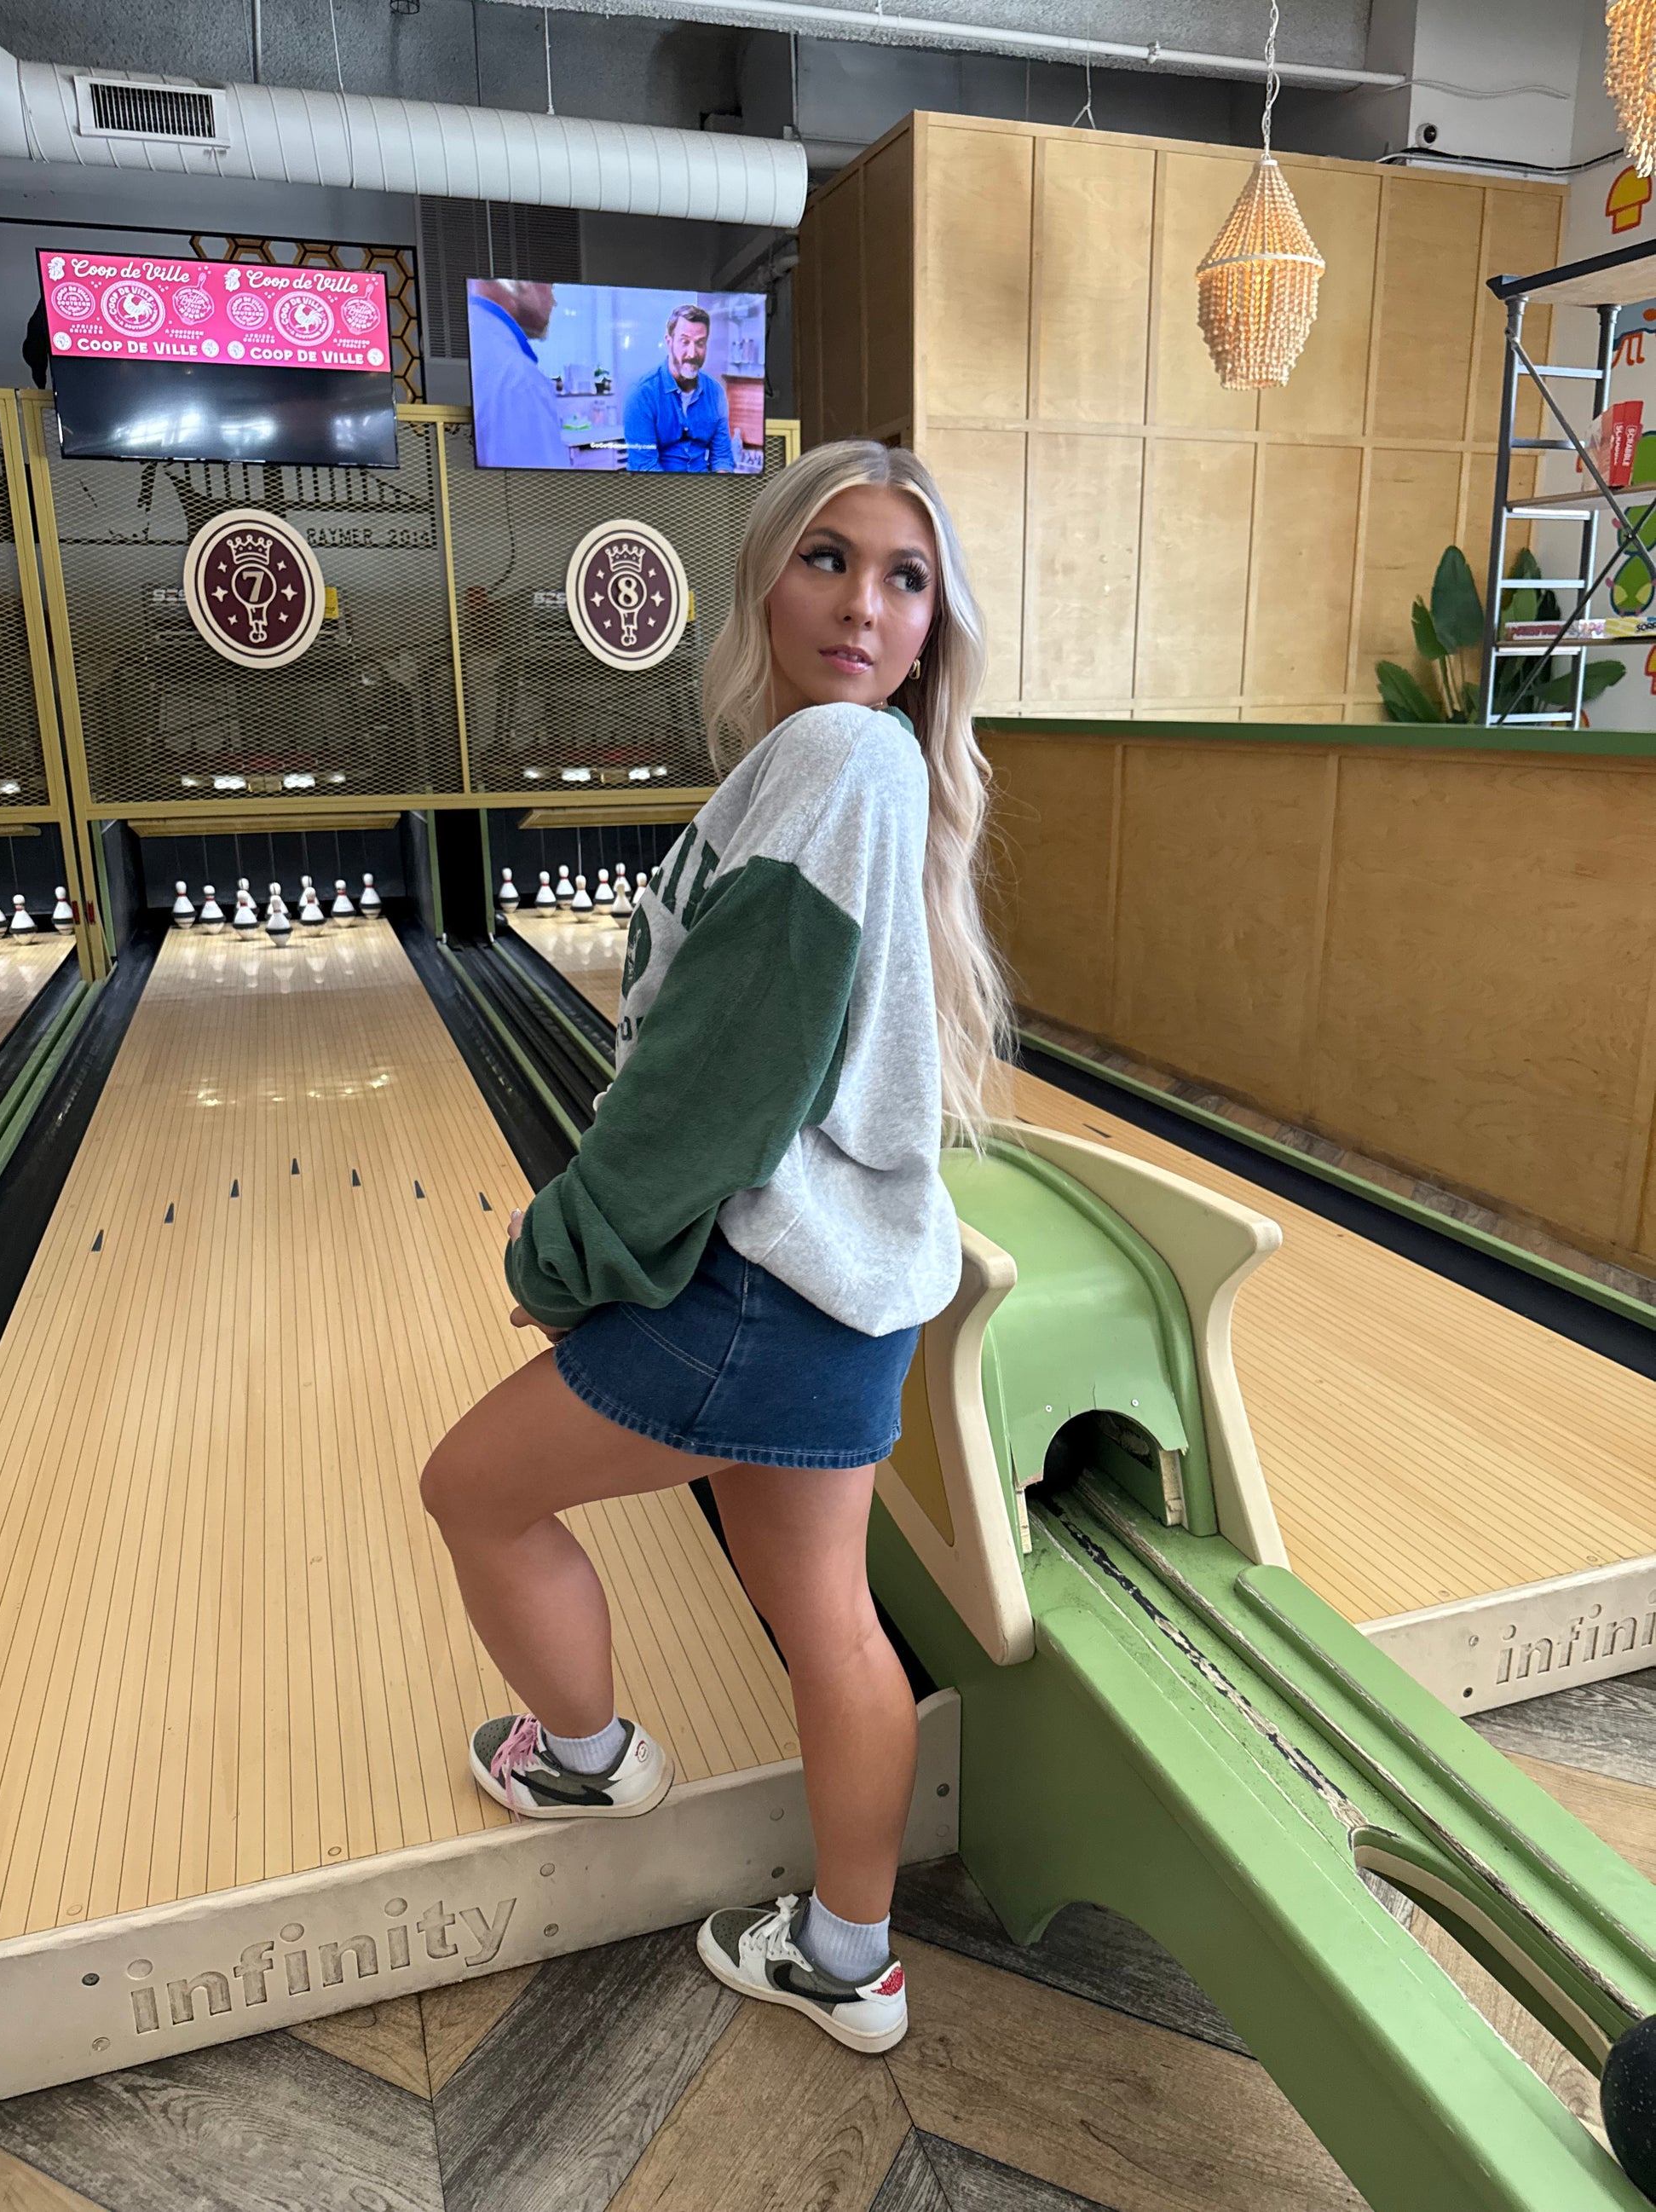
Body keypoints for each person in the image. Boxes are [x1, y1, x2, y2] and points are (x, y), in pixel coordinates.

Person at [420, 439, 1007, 2055]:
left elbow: (716, 1087)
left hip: (751, 1287)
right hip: (847, 1292)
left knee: (472, 1489)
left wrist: (566, 1254)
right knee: (827, 1614)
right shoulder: (865, 766)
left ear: (932, 624)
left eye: (905, 577)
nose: (865, 603)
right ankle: (848, 1957)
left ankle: (586, 1758)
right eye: (830, 558)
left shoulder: (835, 757)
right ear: (763, 578)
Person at [467, 279, 574, 470]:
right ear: (520, 283)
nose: (554, 301)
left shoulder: (475, 337)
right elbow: (542, 485)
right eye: (551, 287)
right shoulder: (519, 379)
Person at [622, 303, 734, 472]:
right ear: (669, 342)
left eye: (700, 343)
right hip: (656, 486)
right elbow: (645, 467)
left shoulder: (716, 392)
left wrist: (720, 487)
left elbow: (722, 456)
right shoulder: (641, 394)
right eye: (684, 342)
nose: (692, 353)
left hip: (704, 485)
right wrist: (681, 490)